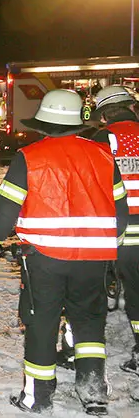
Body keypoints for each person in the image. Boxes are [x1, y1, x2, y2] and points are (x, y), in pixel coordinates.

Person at [0, 89, 128, 415]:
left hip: (44, 259)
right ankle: (94, 393)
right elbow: (121, 212)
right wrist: (108, 247)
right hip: (93, 259)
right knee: (89, 323)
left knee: (42, 324)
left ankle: (37, 398)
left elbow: (4, 215)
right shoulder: (103, 155)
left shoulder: (28, 157)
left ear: (42, 124)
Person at [90, 85, 139, 376]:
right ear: (132, 107)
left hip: (125, 231)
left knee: (135, 292)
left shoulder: (101, 140)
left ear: (104, 115)